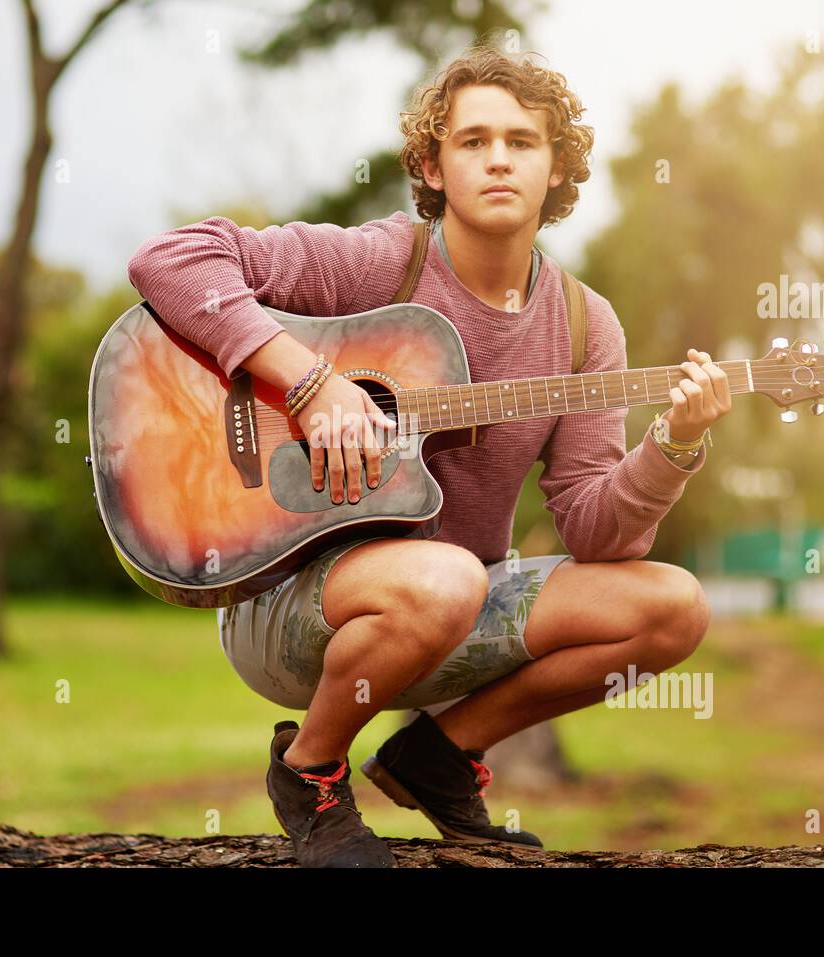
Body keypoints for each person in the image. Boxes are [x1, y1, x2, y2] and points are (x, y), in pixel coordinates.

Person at [126, 42, 730, 868]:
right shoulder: (384, 262)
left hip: (455, 616)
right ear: (431, 165)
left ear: (558, 168)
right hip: (291, 604)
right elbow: (171, 259)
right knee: (447, 577)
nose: (499, 160)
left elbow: (599, 537)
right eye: (473, 141)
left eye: (523, 141)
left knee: (675, 605)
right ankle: (310, 770)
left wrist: (675, 443)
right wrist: (309, 385)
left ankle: (438, 755)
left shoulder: (588, 327)